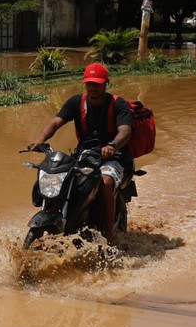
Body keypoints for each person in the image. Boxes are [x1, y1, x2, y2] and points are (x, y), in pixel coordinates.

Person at [26, 62, 134, 242]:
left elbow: (126, 131)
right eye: (89, 83)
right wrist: (39, 140)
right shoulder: (76, 102)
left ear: (106, 83)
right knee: (60, 175)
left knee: (106, 182)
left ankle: (109, 235)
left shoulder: (118, 104)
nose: (92, 87)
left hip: (112, 158)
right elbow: (55, 123)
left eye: (97, 83)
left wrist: (112, 146)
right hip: (84, 157)